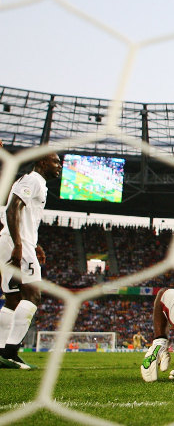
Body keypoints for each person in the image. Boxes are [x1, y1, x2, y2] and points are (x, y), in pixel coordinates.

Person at [0, 152, 61, 369]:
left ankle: (2, 351)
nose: (59, 166)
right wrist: (20, 245)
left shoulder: (35, 182)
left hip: (13, 241)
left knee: (13, 299)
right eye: (56, 162)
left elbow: (22, 216)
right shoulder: (32, 180)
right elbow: (12, 209)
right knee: (33, 295)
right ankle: (10, 352)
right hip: (17, 243)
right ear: (42, 162)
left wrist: (34, 245)